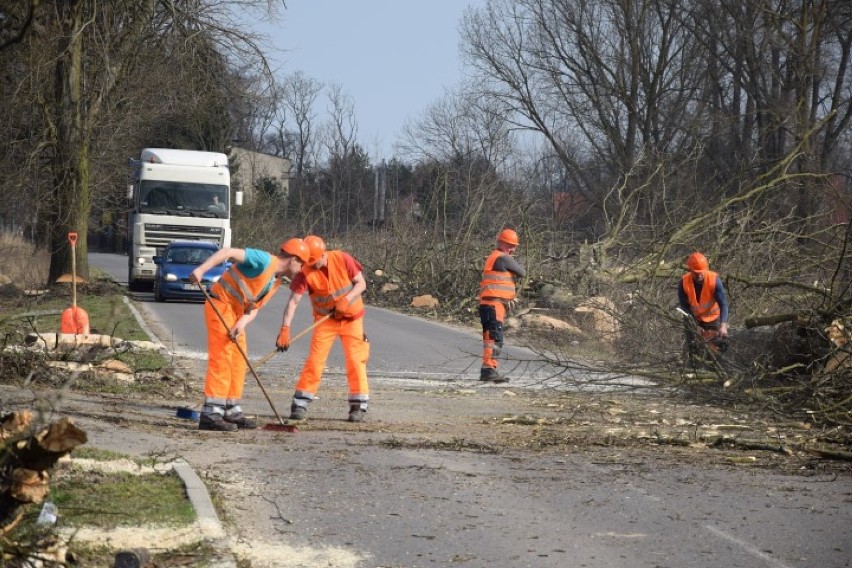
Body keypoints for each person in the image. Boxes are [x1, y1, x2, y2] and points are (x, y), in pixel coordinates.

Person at [189, 238, 310, 432]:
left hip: (237, 314)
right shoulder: (263, 260)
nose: (302, 269)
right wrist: (201, 270)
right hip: (220, 304)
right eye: (302, 264)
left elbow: (254, 307)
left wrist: (241, 323)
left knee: (238, 360)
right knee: (222, 357)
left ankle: (231, 410)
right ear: (294, 259)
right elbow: (227, 252)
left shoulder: (276, 281)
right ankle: (211, 414)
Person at [276, 235, 370, 422]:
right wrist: (285, 328)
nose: (312, 265)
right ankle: (300, 403)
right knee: (315, 360)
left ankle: (358, 405)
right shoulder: (305, 271)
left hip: (352, 319)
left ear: (323, 254)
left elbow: (361, 284)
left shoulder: (343, 258)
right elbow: (293, 301)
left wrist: (345, 300)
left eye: (314, 261)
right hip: (325, 321)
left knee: (355, 359)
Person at [478, 228, 526, 383]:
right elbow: (522, 272)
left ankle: (488, 369)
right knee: (495, 338)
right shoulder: (502, 258)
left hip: (489, 304)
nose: (512, 249)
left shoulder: (494, 257)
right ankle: (489, 369)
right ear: (501, 243)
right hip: (494, 305)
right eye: (510, 245)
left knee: (490, 338)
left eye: (514, 246)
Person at [678, 251, 730, 357]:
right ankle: (692, 359)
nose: (700, 275)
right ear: (690, 270)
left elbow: (723, 304)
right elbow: (684, 307)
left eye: (702, 271)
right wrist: (694, 325)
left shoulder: (714, 281)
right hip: (694, 318)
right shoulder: (683, 283)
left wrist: (723, 324)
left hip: (713, 318)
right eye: (697, 273)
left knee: (720, 347)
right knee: (693, 348)